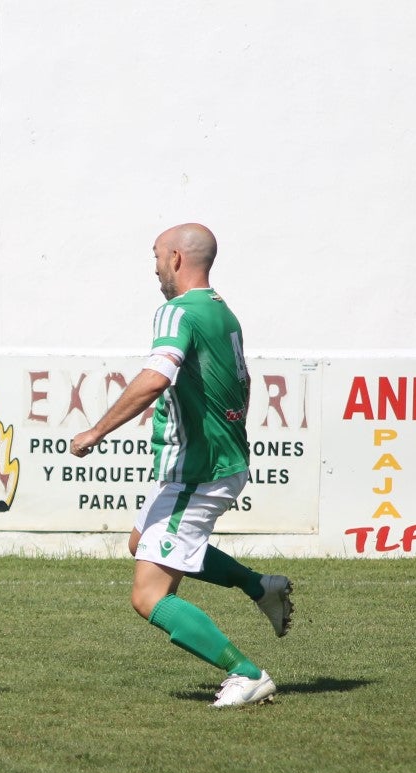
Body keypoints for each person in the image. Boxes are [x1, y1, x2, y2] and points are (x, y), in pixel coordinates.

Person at [70, 223, 293, 708]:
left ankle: (246, 673)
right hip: (212, 461)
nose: (153, 268)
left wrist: (95, 431)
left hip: (199, 470)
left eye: (154, 257)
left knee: (148, 596)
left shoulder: (176, 312)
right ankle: (260, 587)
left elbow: (155, 378)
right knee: (141, 541)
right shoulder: (221, 311)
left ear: (175, 257)